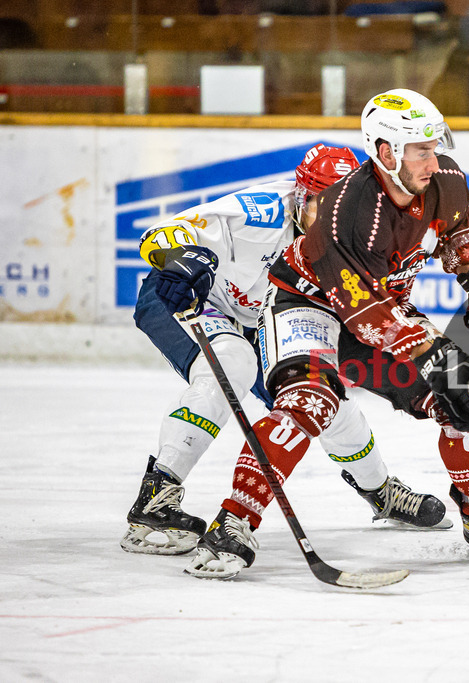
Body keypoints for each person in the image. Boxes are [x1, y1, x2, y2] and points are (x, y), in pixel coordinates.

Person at [185, 88, 469, 579]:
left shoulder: (444, 179)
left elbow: (454, 238)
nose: (432, 160)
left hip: (382, 306)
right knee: (309, 402)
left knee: (463, 391)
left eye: (433, 147)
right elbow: (365, 315)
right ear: (386, 152)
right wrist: (432, 351)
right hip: (308, 304)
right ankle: (232, 523)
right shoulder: (347, 211)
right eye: (420, 150)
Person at [122, 144, 451, 557]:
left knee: (329, 404)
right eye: (321, 205)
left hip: (263, 320)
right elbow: (163, 233)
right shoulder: (261, 211)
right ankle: (157, 495)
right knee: (232, 363)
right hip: (186, 297)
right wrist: (179, 260)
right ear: (299, 196)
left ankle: (380, 492)